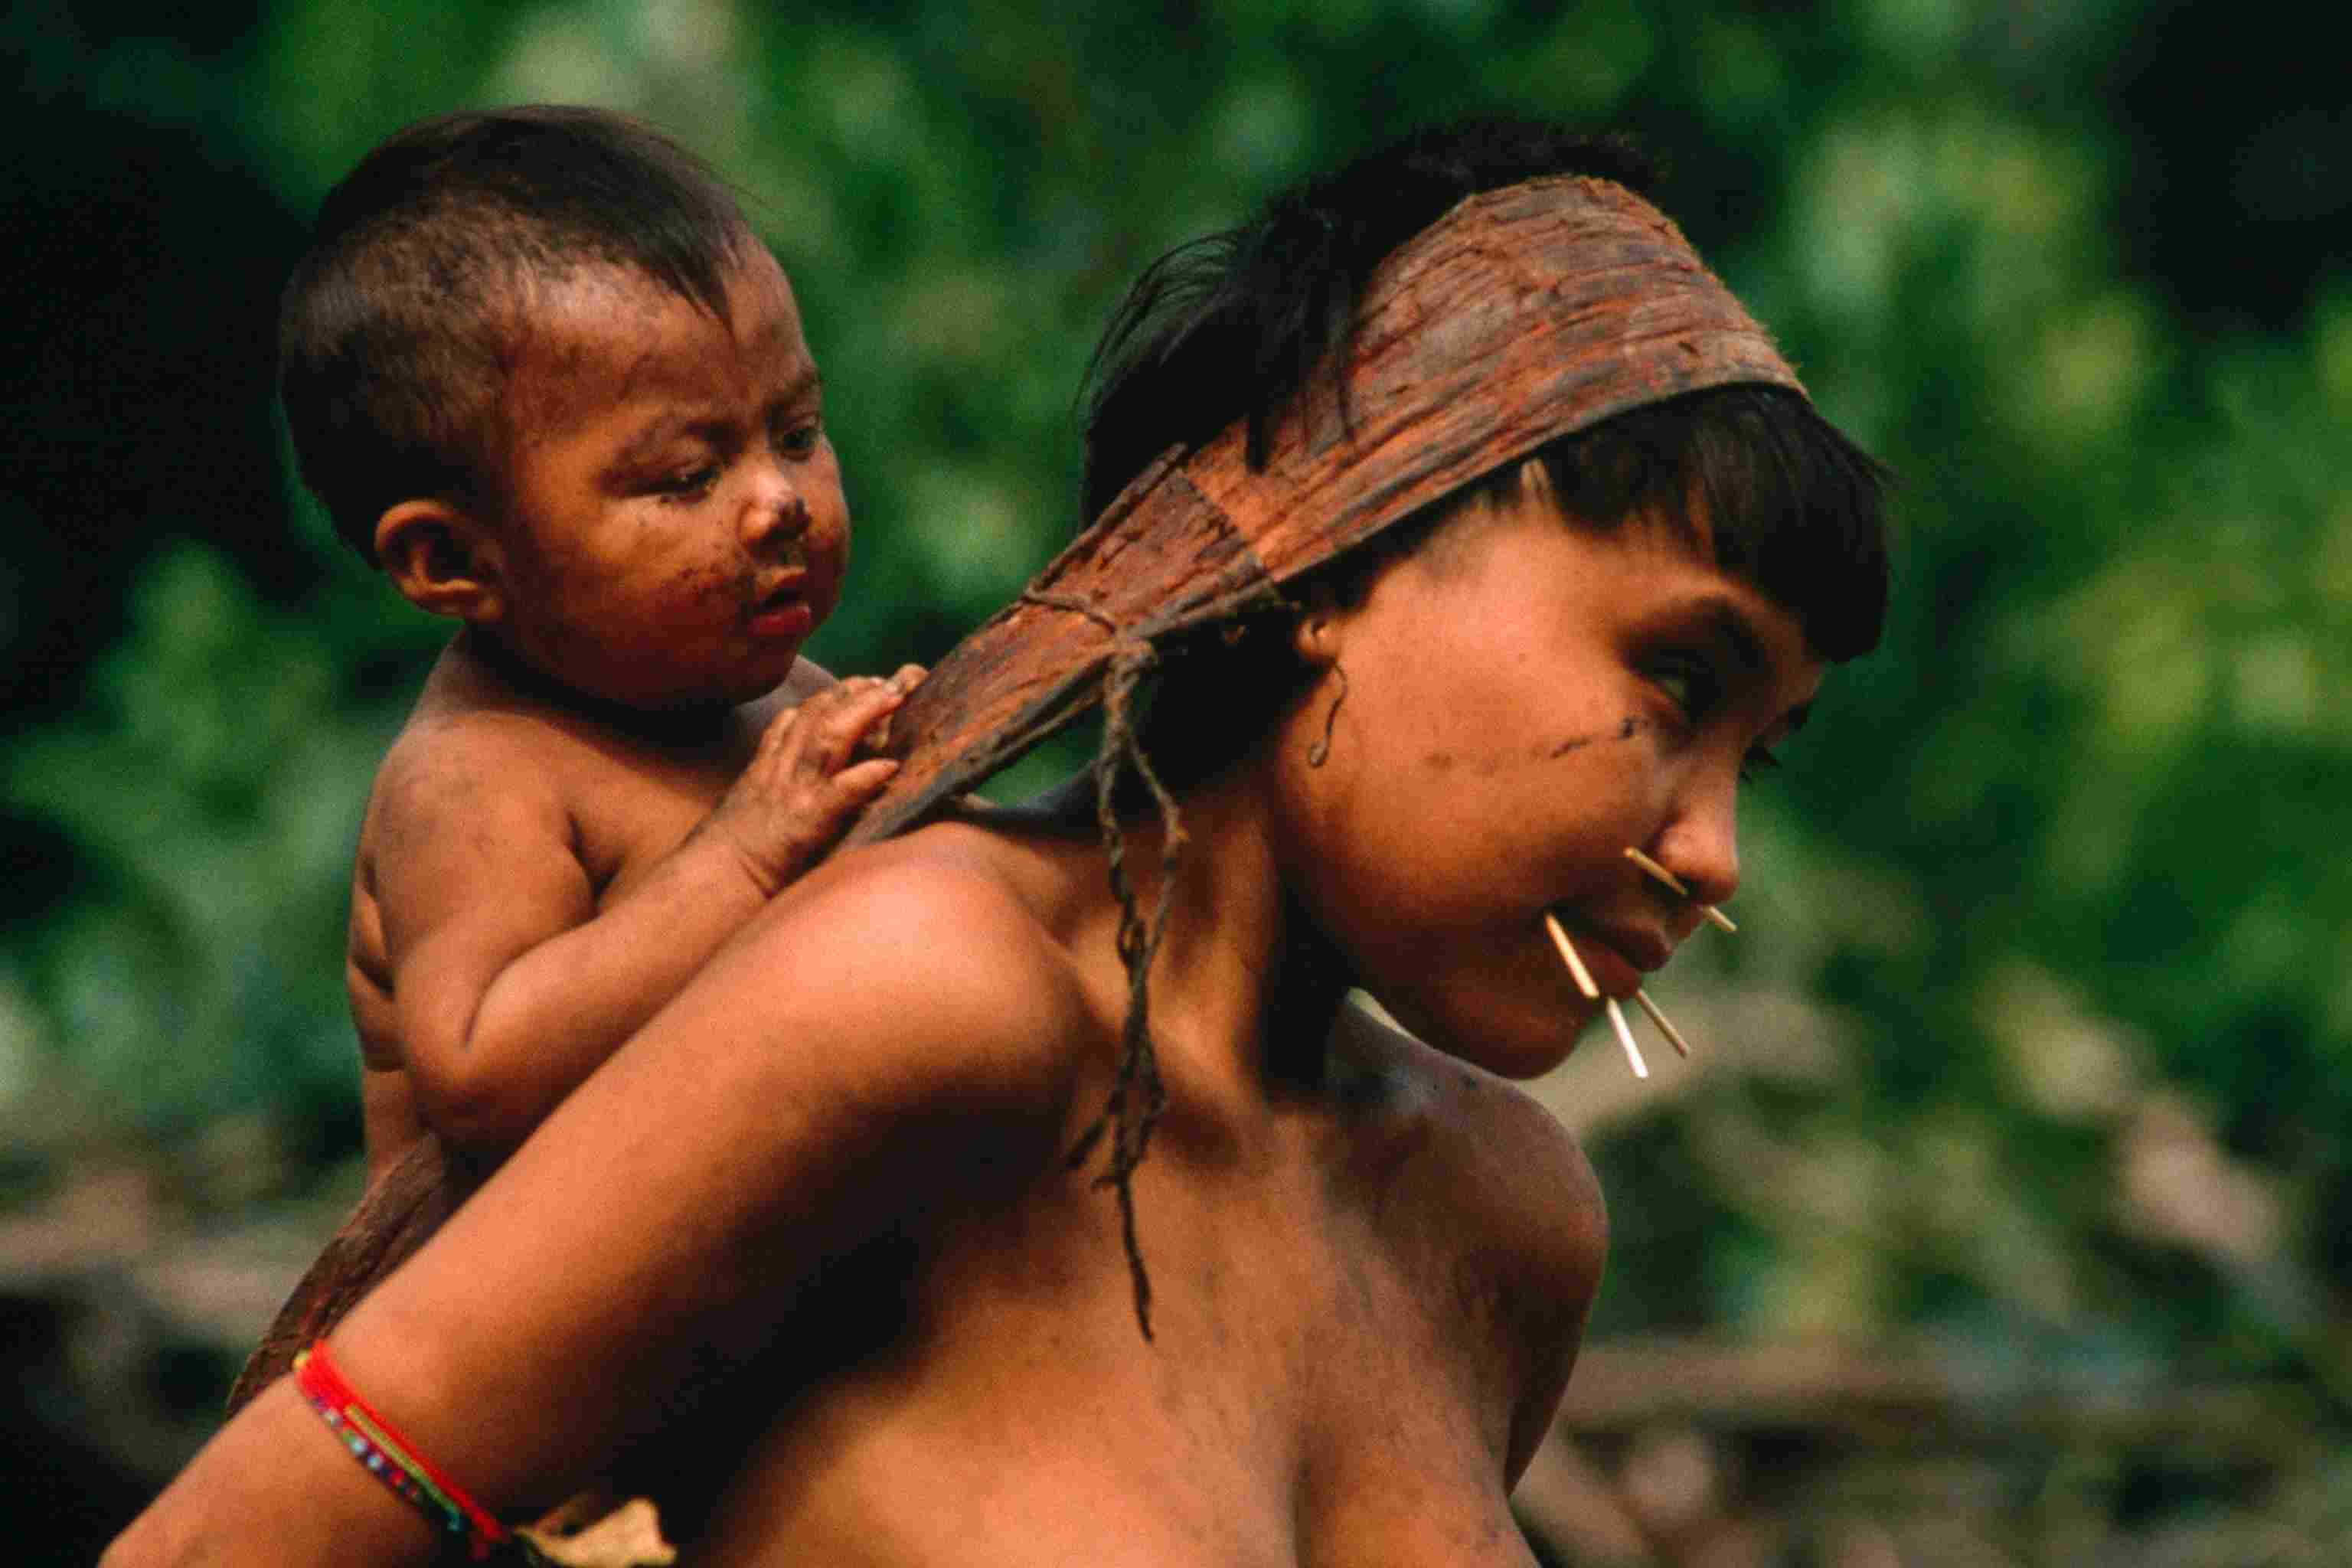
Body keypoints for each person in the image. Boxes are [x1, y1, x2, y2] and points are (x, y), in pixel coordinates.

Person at [106, 119, 1888, 1566]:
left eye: (1770, 753)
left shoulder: (1507, 1219)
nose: (1716, 852)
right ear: (1345, 561)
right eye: (1677, 679)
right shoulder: (930, 988)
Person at [279, 106, 919, 1189]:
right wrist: (747, 855)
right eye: (686, 477)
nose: (779, 502)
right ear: (450, 561)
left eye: (797, 434)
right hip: (522, 1341)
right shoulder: (478, 774)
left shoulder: (774, 704)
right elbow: (478, 1067)